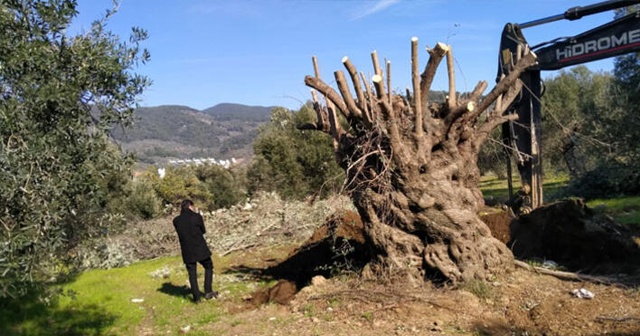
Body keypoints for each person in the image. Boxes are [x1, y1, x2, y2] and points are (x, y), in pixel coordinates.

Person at [173, 199, 218, 303]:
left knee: (192, 273)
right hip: (199, 247)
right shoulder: (197, 217)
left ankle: (196, 298)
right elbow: (203, 231)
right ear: (190, 206)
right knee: (208, 266)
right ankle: (208, 291)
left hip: (187, 250)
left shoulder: (176, 221)